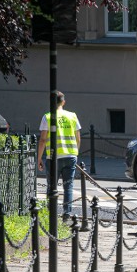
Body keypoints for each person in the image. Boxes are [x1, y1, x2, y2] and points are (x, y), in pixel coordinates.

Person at [37, 91, 81, 222]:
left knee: (52, 187)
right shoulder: (72, 116)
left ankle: (50, 214)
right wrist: (75, 153)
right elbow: (78, 138)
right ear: (63, 102)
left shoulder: (48, 117)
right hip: (70, 155)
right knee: (68, 186)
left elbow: (43, 140)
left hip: (53, 157)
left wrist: (39, 158)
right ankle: (67, 214)